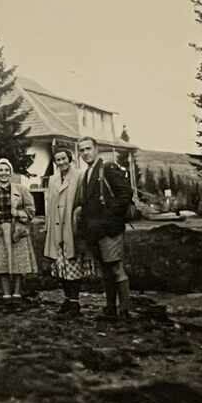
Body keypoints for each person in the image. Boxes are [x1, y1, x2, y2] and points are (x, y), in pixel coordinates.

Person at [75, 136, 134, 320]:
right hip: (95, 232)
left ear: (96, 149)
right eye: (82, 150)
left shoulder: (107, 168)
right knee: (105, 270)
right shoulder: (86, 174)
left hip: (110, 229)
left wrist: (108, 218)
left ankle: (124, 310)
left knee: (116, 268)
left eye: (88, 149)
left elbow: (125, 194)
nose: (85, 153)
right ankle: (110, 308)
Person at [44, 147, 96, 316]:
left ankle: (75, 302)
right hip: (56, 228)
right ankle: (67, 299)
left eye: (64, 159)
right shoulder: (52, 180)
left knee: (74, 266)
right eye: (58, 160)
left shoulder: (80, 176)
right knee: (61, 267)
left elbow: (84, 201)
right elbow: (49, 204)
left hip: (72, 228)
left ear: (70, 159)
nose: (61, 162)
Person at [0, 158, 38, 303]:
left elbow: (31, 211)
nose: (3, 173)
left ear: (10, 172)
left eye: (6, 170)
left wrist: (18, 214)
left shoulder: (21, 189)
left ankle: (17, 293)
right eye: (0, 170)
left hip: (17, 230)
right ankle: (6, 294)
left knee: (18, 262)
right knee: (2, 262)